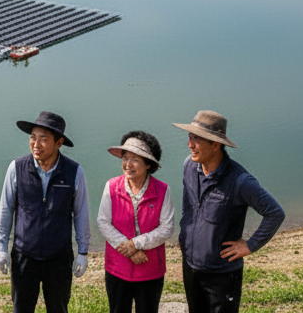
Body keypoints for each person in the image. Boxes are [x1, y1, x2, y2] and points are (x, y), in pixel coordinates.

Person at [173, 110, 285, 313]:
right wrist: (185, 232)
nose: (190, 144)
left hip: (222, 274)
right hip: (190, 265)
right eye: (190, 137)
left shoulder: (240, 181)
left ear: (216, 145)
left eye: (197, 139)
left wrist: (250, 245)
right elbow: (188, 203)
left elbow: (275, 213)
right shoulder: (189, 166)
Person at [0, 111, 91, 313]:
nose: (36, 144)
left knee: (58, 308)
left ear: (59, 143)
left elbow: (81, 213)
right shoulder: (17, 168)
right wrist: (2, 247)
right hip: (24, 255)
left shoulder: (74, 171)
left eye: (43, 139)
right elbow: (6, 208)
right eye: (33, 137)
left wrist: (82, 251)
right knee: (21, 308)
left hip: (59, 257)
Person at [97, 131, 174, 313]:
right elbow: (103, 222)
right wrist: (130, 250)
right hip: (117, 268)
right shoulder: (111, 187)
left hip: (150, 270)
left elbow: (167, 228)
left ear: (148, 164)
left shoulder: (162, 190)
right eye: (125, 158)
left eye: (135, 159)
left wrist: (135, 244)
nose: (128, 165)